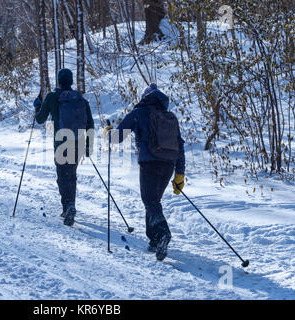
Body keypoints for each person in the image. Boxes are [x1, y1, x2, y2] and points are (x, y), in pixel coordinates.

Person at [104, 83, 185, 261]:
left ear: (145, 97)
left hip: (150, 163)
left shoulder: (139, 113)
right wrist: (179, 175)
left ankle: (163, 233)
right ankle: (154, 239)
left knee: (150, 201)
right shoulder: (170, 117)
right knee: (153, 201)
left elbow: (117, 137)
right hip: (168, 165)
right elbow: (180, 145)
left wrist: (108, 132)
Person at [34, 69, 95, 227]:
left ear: (59, 81)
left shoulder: (52, 97)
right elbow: (90, 123)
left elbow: (40, 119)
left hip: (61, 143)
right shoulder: (79, 98)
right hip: (78, 142)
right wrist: (89, 146)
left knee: (62, 175)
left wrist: (37, 106)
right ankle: (70, 205)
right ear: (71, 81)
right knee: (71, 174)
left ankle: (68, 206)